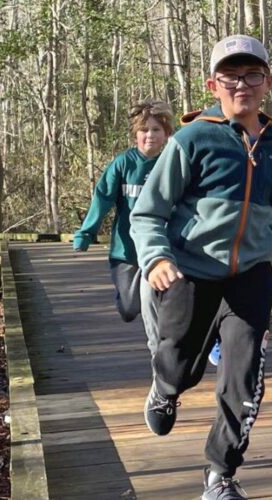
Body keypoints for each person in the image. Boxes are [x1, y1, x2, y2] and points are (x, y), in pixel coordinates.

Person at [130, 34, 272, 500]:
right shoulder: (191, 140)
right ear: (213, 83)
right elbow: (148, 212)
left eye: (252, 74)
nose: (241, 84)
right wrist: (156, 258)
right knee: (180, 363)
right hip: (191, 272)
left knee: (244, 378)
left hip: (250, 277)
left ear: (268, 82)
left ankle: (220, 474)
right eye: (231, 75)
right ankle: (165, 387)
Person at [73, 99, 174, 356]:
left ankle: (163, 353)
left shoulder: (173, 163)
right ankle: (128, 300)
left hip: (163, 249)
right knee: (129, 309)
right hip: (126, 250)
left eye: (156, 130)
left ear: (166, 134)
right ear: (135, 134)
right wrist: (87, 233)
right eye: (144, 130)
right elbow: (103, 197)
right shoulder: (124, 163)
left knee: (165, 302)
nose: (150, 135)